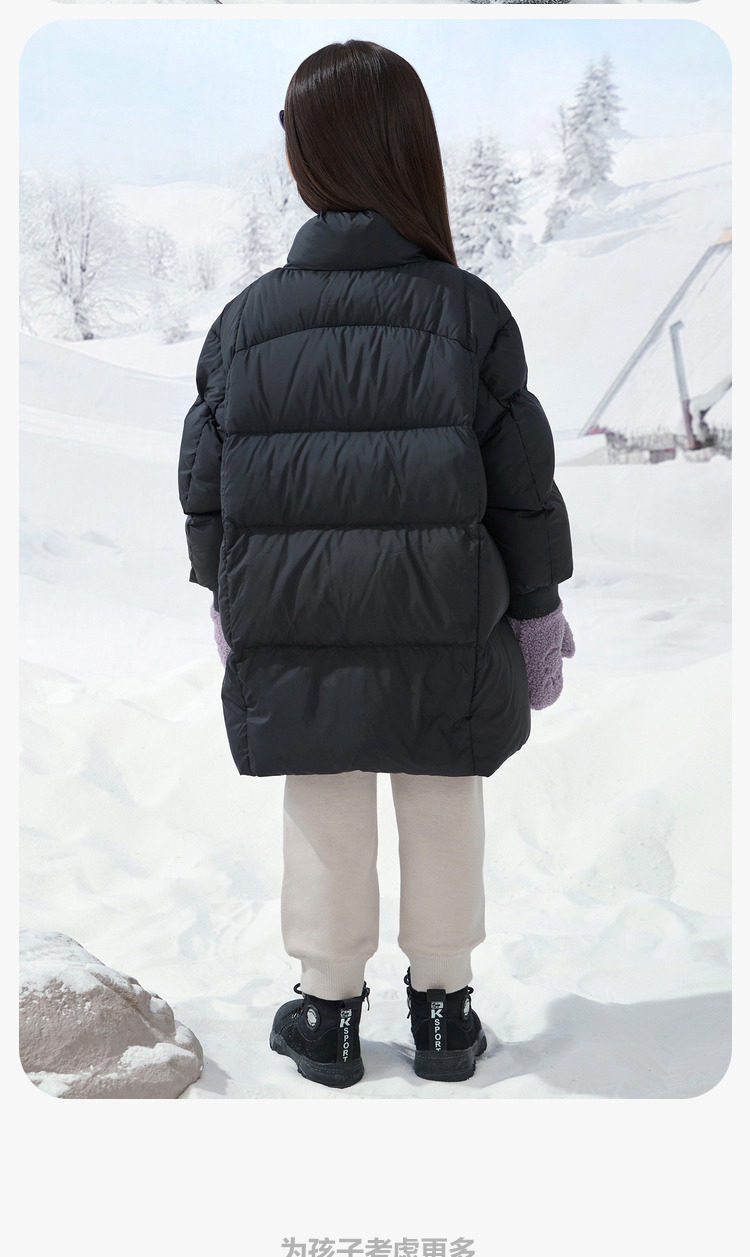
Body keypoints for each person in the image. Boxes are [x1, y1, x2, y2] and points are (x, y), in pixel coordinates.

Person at [177, 40, 574, 1090]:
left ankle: (327, 1014)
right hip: (447, 624)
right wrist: (537, 614)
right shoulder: (468, 314)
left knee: (324, 795)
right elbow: (522, 486)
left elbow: (209, 488)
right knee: (443, 789)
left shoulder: (246, 323)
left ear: (309, 156)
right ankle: (445, 1014)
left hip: (299, 628)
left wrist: (227, 601)